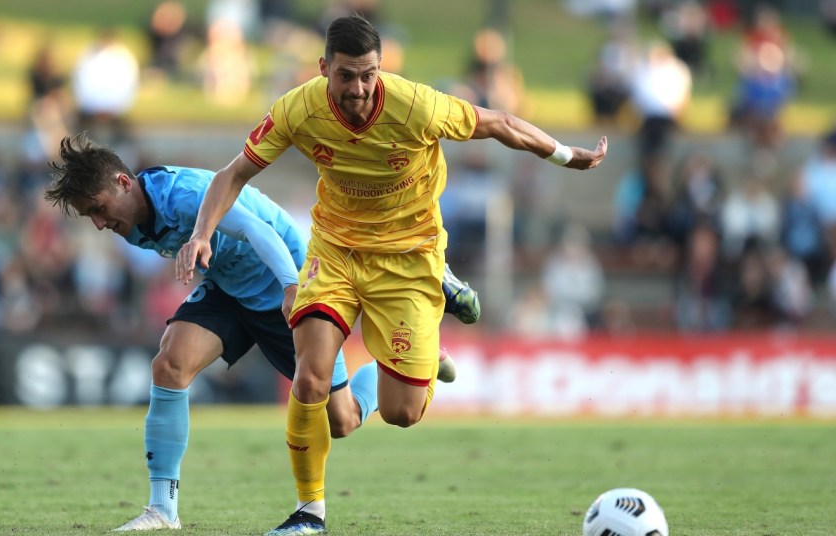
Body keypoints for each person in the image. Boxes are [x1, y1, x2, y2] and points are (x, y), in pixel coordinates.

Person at [177, 15, 607, 536]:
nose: (358, 89)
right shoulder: (298, 108)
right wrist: (202, 233)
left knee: (404, 412)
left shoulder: (416, 104)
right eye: (346, 76)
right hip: (335, 252)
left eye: (368, 75)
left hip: (408, 258)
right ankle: (309, 513)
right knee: (311, 378)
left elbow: (499, 123)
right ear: (323, 69)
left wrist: (566, 155)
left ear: (380, 69)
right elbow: (234, 174)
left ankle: (433, 315)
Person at [43, 132, 472, 531]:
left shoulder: (184, 195)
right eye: (89, 216)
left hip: (283, 276)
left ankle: (413, 360)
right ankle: (162, 509)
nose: (98, 223)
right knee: (169, 365)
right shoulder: (130, 221)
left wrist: (291, 286)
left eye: (97, 209)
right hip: (230, 286)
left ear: (123, 183)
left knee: (342, 421)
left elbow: (257, 229)